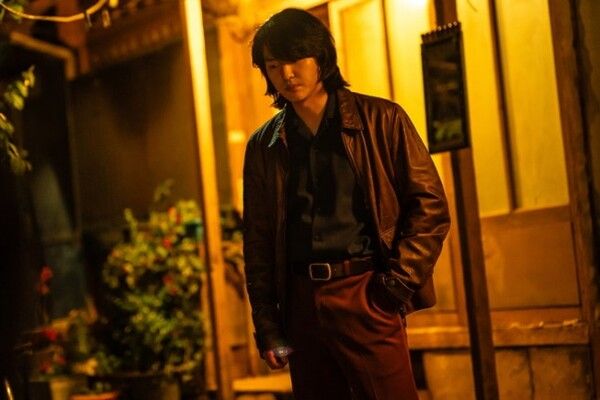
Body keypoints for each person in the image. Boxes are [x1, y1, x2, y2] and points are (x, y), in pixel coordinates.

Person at [243, 8, 450, 400]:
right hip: (301, 302)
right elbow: (258, 240)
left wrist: (396, 286)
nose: (287, 73)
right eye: (273, 65)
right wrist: (268, 326)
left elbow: (430, 206)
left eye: (296, 59)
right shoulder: (264, 146)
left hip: (366, 291)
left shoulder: (381, 119)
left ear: (321, 57)